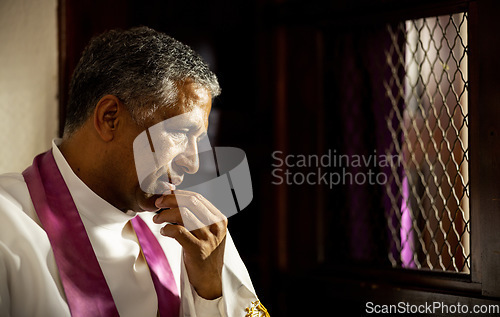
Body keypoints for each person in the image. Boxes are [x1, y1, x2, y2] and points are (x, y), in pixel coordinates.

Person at [0, 27, 268, 317]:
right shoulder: (7, 226)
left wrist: (212, 290)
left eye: (198, 140)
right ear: (109, 118)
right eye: (180, 132)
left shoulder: (193, 235)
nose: (193, 163)